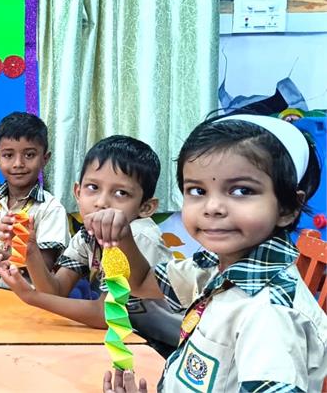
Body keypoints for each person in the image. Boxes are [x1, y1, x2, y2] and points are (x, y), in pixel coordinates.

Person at [92, 115, 327, 391]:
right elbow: (142, 282)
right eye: (197, 190)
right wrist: (122, 236)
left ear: (288, 208)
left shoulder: (270, 314)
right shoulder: (215, 268)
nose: (212, 207)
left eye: (241, 190)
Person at [0, 135, 181, 350]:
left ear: (146, 207)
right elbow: (56, 292)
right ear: (78, 192)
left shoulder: (139, 237)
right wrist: (30, 250)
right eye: (93, 187)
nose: (101, 202)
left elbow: (107, 315)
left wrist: (32, 297)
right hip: (130, 339)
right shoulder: (87, 235)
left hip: (170, 346)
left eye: (121, 193)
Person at [0, 112, 69, 288]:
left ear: (45, 159)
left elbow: (43, 269)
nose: (18, 163)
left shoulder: (50, 209)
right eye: (8, 155)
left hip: (30, 299)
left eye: (29, 155)